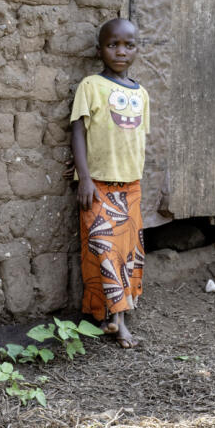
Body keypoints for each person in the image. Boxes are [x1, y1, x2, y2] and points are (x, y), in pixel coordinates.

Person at [70, 18, 149, 349]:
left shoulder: (142, 93)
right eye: (113, 44)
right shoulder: (91, 86)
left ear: (136, 50)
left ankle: (114, 318)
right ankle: (116, 319)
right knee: (102, 249)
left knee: (127, 253)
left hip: (129, 187)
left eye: (128, 45)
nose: (120, 51)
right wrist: (84, 177)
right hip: (98, 185)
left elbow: (139, 142)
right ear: (99, 49)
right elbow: (77, 130)